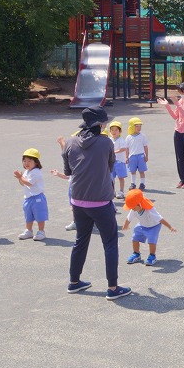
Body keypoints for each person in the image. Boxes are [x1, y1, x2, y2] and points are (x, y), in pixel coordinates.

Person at [63, 106, 131, 301]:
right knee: (110, 242)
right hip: (100, 200)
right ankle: (112, 287)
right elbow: (110, 166)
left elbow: (68, 171)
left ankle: (74, 282)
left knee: (80, 240)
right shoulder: (106, 142)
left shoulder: (70, 142)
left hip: (77, 200)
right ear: (100, 125)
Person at [158, 82, 184, 189]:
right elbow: (175, 116)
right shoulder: (181, 101)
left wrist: (177, 104)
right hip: (178, 131)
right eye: (180, 92)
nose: (181, 94)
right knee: (179, 157)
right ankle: (182, 179)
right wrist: (167, 105)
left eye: (183, 92)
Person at [121, 189, 176, 267]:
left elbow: (160, 219)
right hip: (142, 225)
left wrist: (170, 227)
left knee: (151, 240)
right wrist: (126, 225)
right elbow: (129, 218)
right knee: (135, 238)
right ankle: (136, 254)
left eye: (133, 207)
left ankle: (152, 256)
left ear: (139, 204)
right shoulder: (133, 210)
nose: (131, 209)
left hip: (154, 226)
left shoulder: (149, 210)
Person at [15, 148, 49, 241]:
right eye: (24, 161)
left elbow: (29, 183)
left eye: (29, 161)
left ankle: (41, 231)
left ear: (36, 162)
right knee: (28, 215)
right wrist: (20, 178)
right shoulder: (27, 172)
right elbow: (23, 183)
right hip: (28, 198)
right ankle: (29, 231)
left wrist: (20, 177)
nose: (26, 163)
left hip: (37, 198)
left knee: (40, 216)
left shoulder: (37, 172)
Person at [125, 117, 149, 190]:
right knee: (132, 171)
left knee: (142, 171)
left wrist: (146, 156)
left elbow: (145, 146)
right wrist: (126, 157)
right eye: (136, 126)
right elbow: (127, 148)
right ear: (132, 126)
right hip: (132, 156)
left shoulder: (142, 136)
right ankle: (133, 183)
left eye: (140, 126)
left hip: (141, 156)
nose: (139, 128)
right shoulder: (128, 137)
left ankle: (142, 183)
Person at [108, 121, 129, 198]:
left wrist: (114, 152)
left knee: (121, 177)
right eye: (112, 130)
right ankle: (112, 191)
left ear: (120, 131)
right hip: (111, 162)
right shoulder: (109, 140)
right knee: (111, 178)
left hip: (120, 162)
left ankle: (121, 191)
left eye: (116, 130)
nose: (114, 132)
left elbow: (123, 148)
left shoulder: (121, 140)